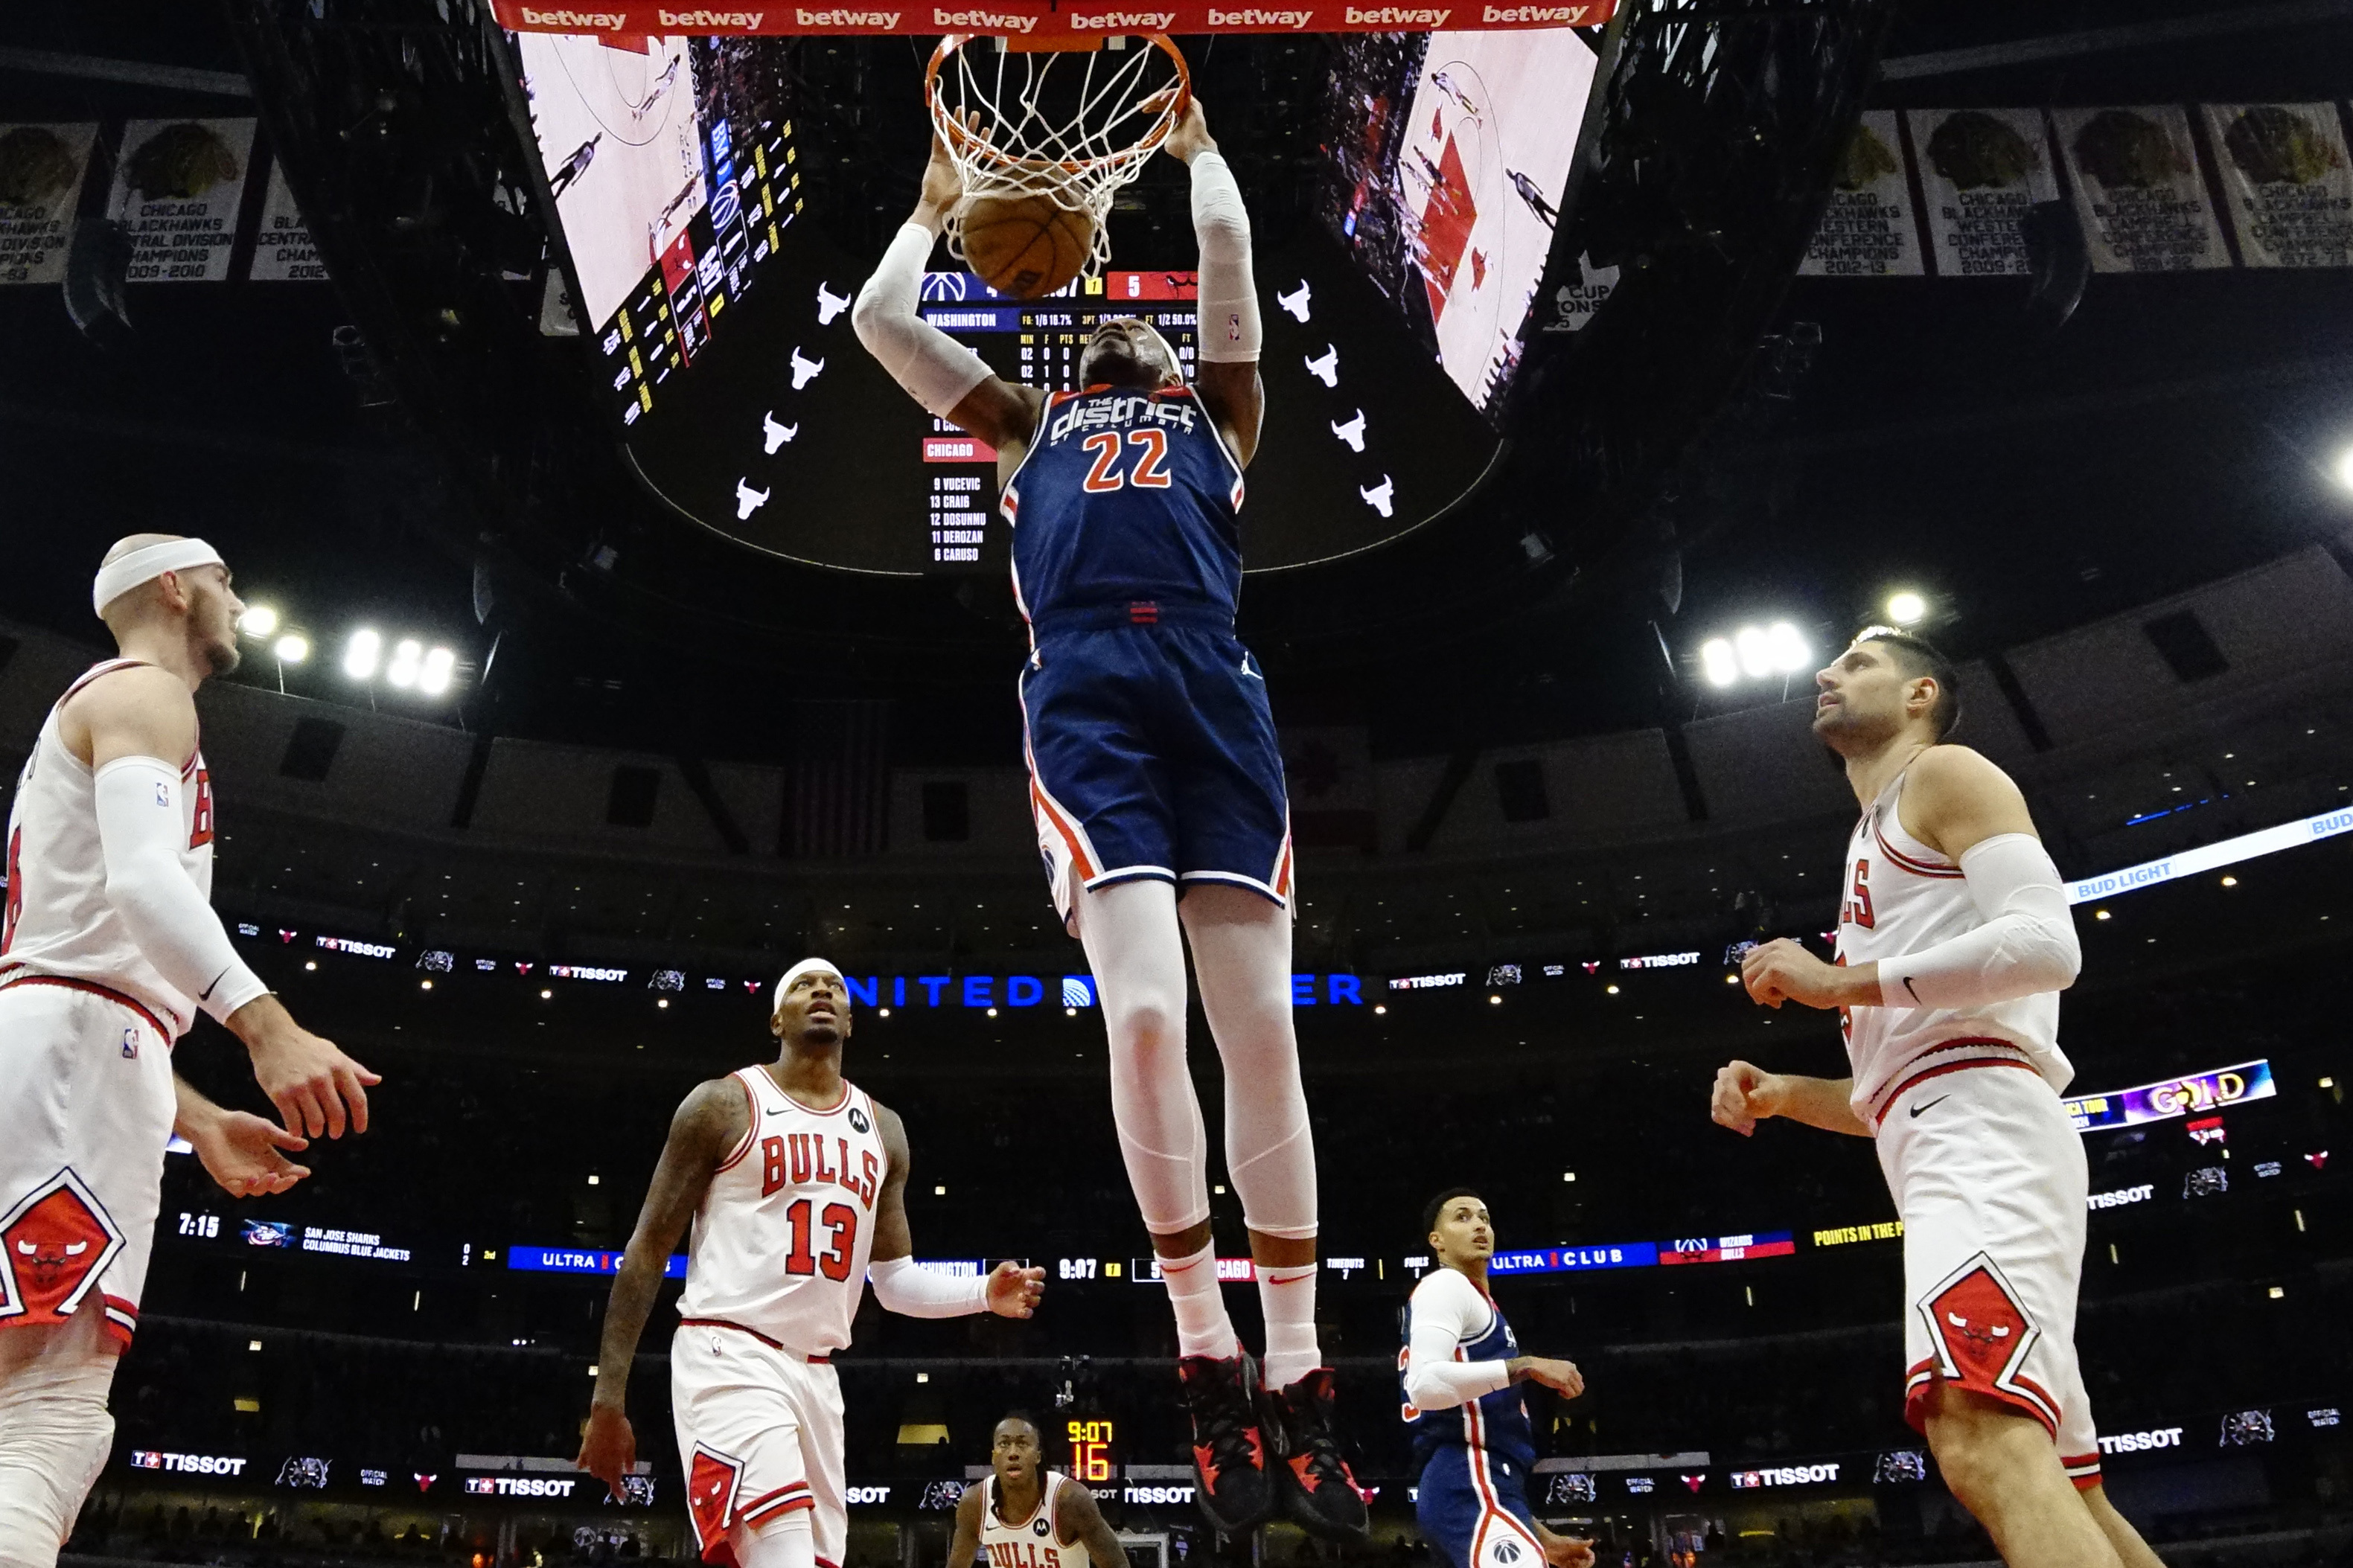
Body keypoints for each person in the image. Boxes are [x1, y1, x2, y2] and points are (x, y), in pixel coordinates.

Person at [852, 89, 1360, 1543]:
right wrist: (935, 206)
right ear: (1076, 353)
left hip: (1211, 693)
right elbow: (882, 329)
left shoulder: (1223, 411)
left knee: (1257, 1028)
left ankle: (1301, 1370)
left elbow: (1226, 270)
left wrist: (1200, 151)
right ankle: (1203, 1348)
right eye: (1102, 331)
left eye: (1146, 332)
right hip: (1083, 698)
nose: (1126, 337)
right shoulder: (1023, 423)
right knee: (1144, 1019)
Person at [1712, 627, 2163, 1568]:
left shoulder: (1945, 772)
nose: (1823, 674)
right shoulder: (1868, 835)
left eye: (1856, 662)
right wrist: (1790, 1093)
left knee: (1973, 1431)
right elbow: (1896, 1085)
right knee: (2064, 1487)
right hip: (1939, 1130)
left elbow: (2047, 946)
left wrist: (1840, 981)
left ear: (1920, 693)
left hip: (1985, 1130)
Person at [0, 534, 379, 1568]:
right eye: (224, 582)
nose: (240, 601)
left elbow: (92, 944)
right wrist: (270, 1025)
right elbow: (141, 888)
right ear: (175, 585)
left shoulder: (115, 704)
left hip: (70, 1041)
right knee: (50, 1408)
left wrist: (197, 1113)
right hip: (75, 1051)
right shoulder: (147, 693)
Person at [577, 960, 1046, 1568]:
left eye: (835, 987)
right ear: (776, 1017)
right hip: (728, 1355)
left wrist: (983, 1291)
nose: (821, 989)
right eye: (802, 984)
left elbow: (894, 1280)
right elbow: (645, 1250)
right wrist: (607, 1399)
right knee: (784, 1554)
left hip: (819, 1378)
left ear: (850, 1021)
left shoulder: (884, 1129)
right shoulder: (722, 1104)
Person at [1402, 1191, 1593, 1568]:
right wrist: (1528, 1365)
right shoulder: (1447, 1286)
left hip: (1484, 1486)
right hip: (1467, 1476)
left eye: (1484, 1218)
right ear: (1435, 1241)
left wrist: (1540, 1537)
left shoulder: (1478, 1303)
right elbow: (1424, 1385)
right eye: (1462, 1217)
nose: (1479, 1225)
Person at [945, 1414, 1127, 1568]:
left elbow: (1117, 1565)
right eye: (1004, 1444)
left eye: (1022, 1444)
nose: (1013, 1453)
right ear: (994, 1456)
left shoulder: (1070, 1500)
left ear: (1037, 1456)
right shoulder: (975, 1503)